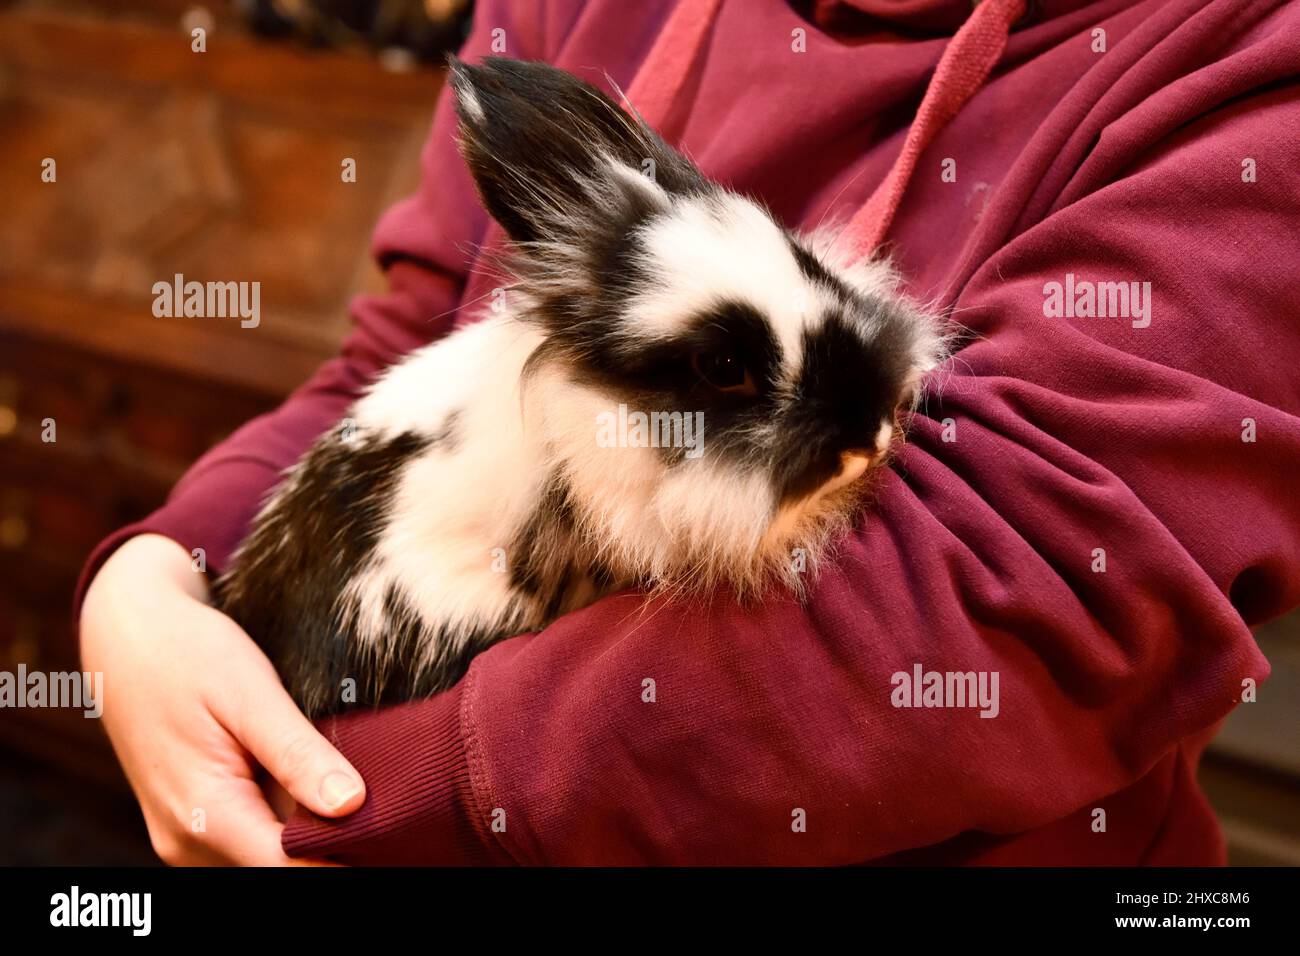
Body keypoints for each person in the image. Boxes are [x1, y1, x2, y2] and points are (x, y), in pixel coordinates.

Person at [78, 0, 1300, 865]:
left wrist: (352, 800)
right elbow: (400, 340)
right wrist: (157, 579)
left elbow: (1016, 589)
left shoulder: (1241, 54)